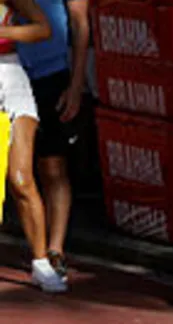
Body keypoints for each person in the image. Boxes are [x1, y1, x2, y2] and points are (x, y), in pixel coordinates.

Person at [17, 0, 85, 286]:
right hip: (11, 71)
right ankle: (39, 251)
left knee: (52, 167)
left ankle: (55, 250)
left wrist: (76, 85)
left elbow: (79, 21)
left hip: (51, 75)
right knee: (18, 173)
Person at [0, 0, 57, 292]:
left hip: (9, 76)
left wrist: (5, 31)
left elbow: (43, 28)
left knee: (20, 178)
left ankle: (41, 262)